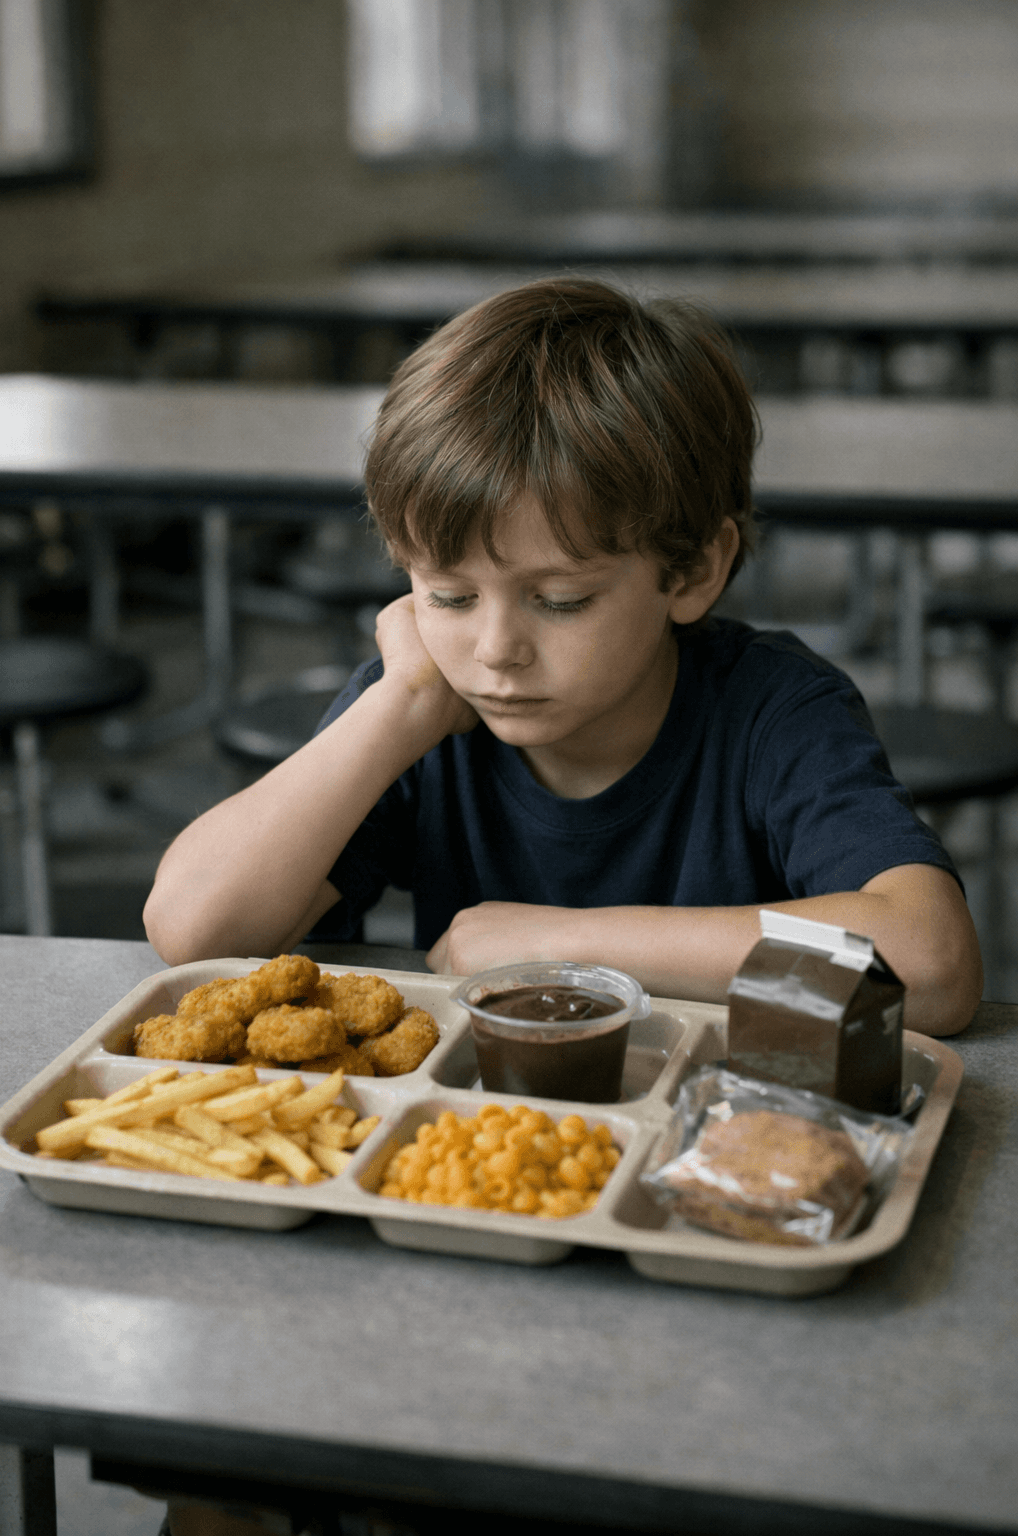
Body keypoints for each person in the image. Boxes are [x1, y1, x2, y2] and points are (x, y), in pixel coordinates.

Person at [144, 277, 982, 1036]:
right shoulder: (426, 708)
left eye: (561, 601)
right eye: (448, 595)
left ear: (692, 571)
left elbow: (932, 965)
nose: (495, 650)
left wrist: (562, 942)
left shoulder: (772, 710)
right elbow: (193, 932)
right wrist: (396, 706)